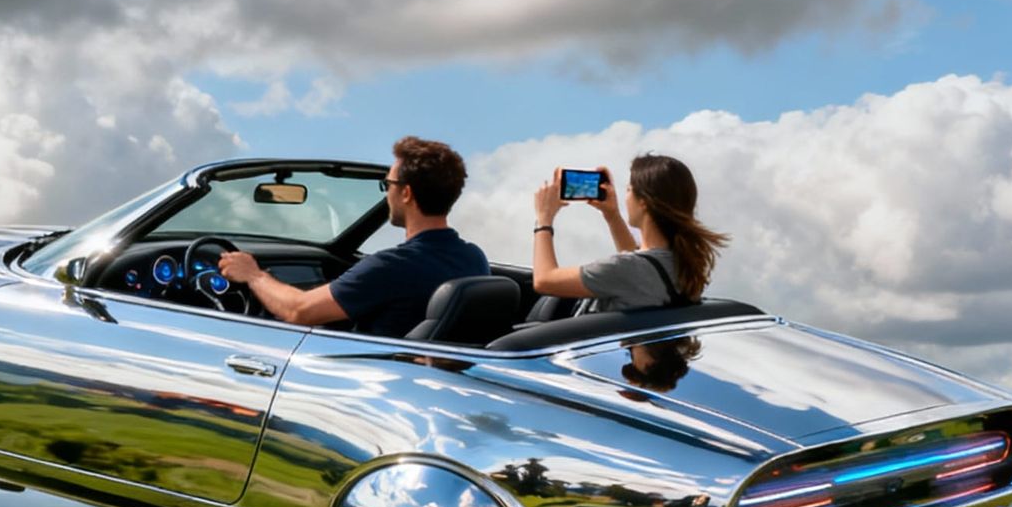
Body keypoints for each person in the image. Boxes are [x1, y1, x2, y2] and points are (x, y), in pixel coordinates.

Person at [216, 136, 489, 337]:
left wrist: (253, 275)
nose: (387, 193)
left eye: (388, 184)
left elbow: (299, 311)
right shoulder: (474, 259)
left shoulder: (391, 266)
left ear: (406, 193)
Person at [529, 152, 727, 310]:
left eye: (629, 190)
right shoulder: (685, 265)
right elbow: (642, 262)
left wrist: (544, 219)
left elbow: (544, 280)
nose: (626, 197)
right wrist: (612, 216)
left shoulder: (622, 269)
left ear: (644, 203)